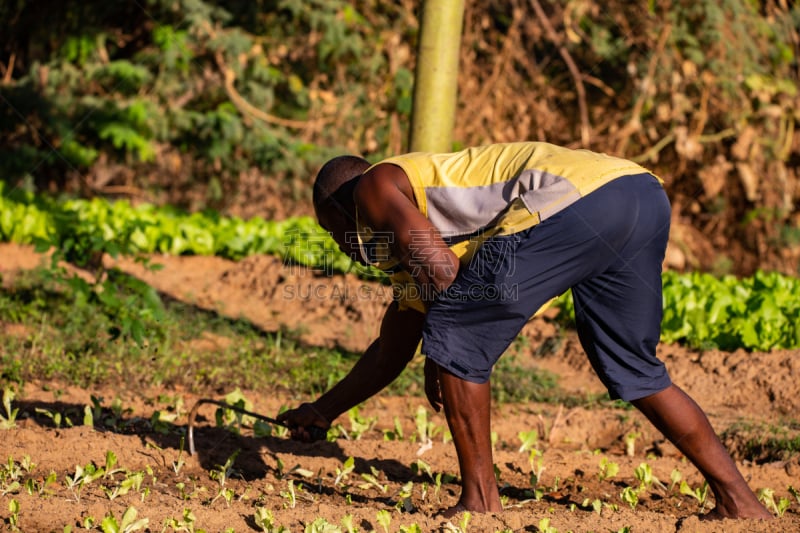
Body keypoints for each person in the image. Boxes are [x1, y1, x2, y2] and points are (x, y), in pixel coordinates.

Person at [276, 142, 772, 520]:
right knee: (633, 368)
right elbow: (391, 350)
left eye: (334, 232)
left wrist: (446, 348)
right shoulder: (409, 235)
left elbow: (445, 276)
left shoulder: (376, 185)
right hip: (638, 195)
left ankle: (480, 501)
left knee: (454, 327)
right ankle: (740, 502)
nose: (342, 247)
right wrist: (323, 411)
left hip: (573, 203)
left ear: (347, 208)